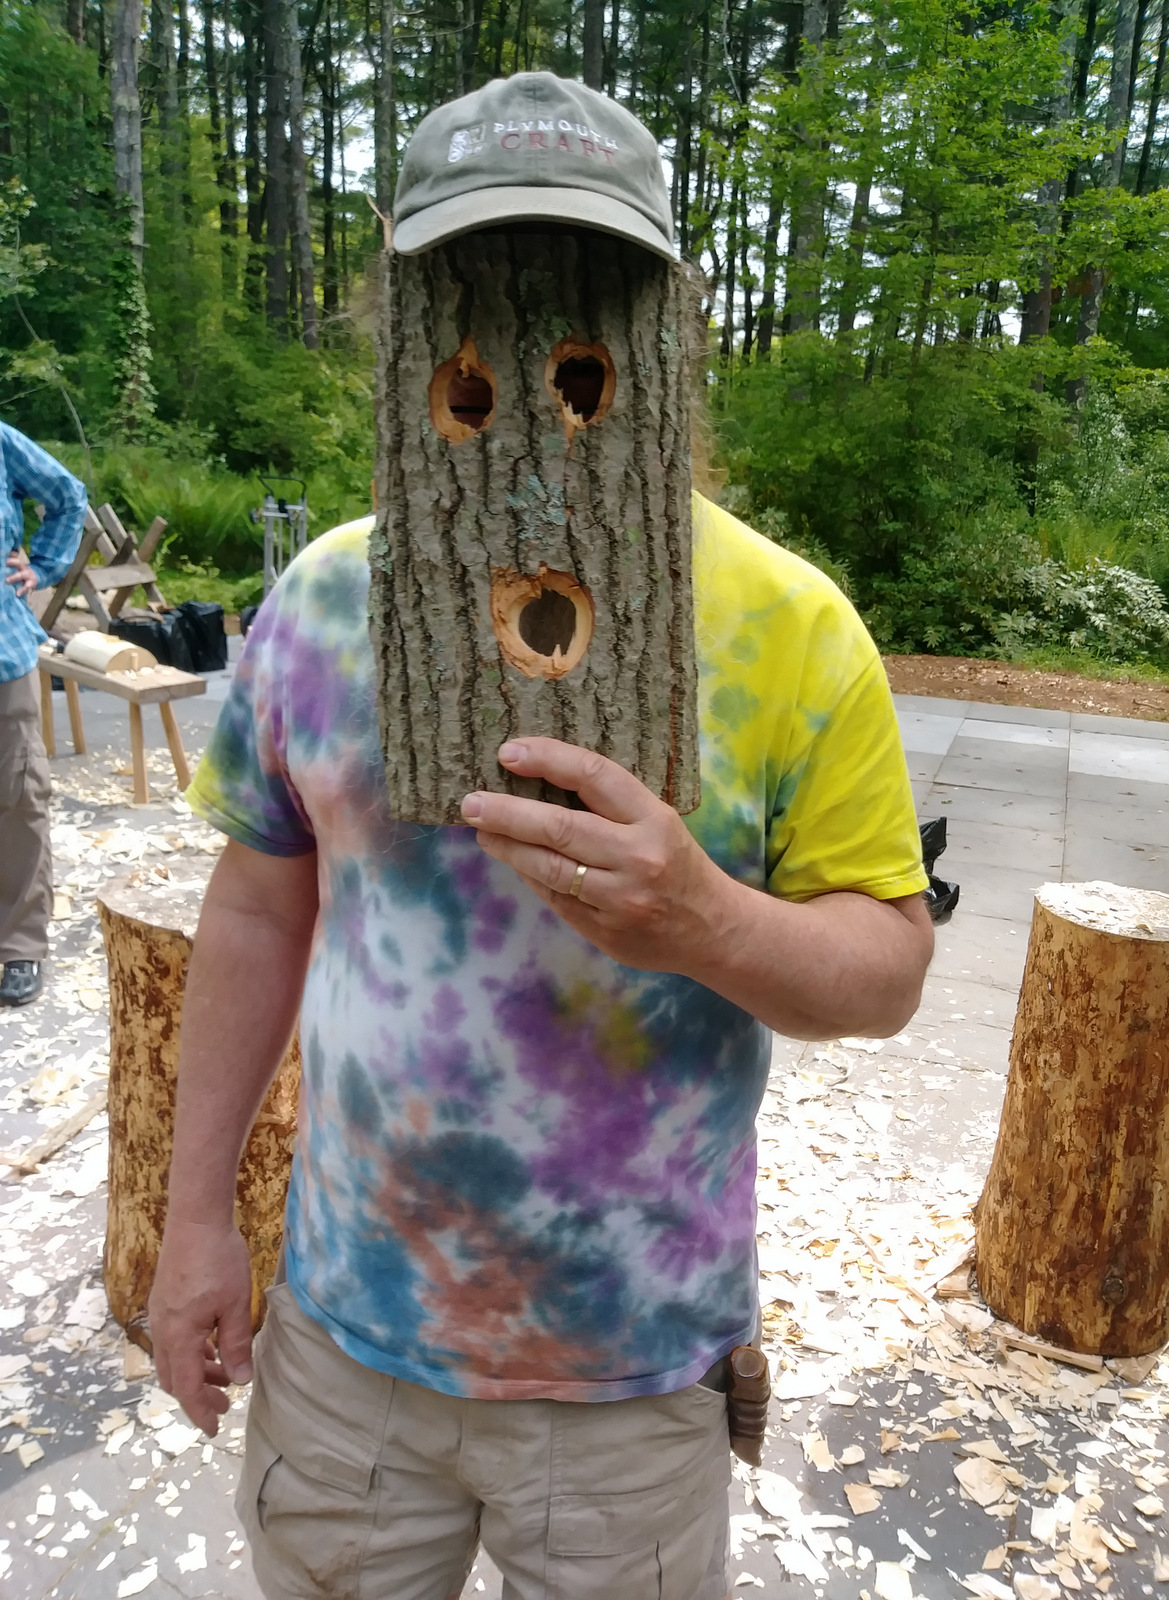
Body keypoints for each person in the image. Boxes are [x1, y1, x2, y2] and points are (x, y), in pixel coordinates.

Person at [148, 74, 933, 1600]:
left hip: (631, 1382)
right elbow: (254, 908)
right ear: (404, 318)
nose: (525, 330)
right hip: (348, 1350)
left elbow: (890, 971)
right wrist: (194, 1226)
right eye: (473, 283)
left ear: (667, 325)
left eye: (586, 291)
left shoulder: (794, 630)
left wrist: (703, 917)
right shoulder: (323, 601)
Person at [0, 424, 87, 1008]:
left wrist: (44, 565)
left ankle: (19, 945)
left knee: (18, 796)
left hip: (2, 654)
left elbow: (68, 496)